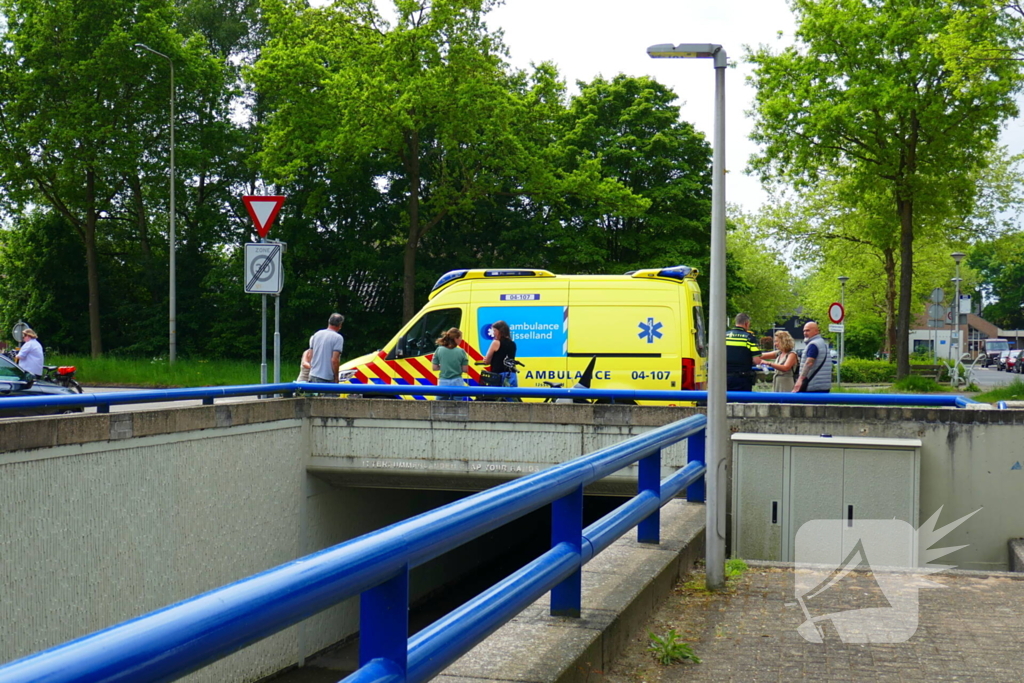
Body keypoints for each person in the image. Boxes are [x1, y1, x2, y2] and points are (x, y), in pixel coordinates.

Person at [725, 313, 763, 392]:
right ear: (746, 323)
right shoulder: (749, 337)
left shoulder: (724, 335)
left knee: (724, 402)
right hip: (742, 378)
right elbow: (757, 360)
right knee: (744, 402)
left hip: (724, 377)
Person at [794, 321, 832, 393]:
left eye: (808, 330)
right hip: (824, 385)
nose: (805, 333)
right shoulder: (822, 343)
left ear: (816, 331)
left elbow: (809, 363)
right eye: (804, 331)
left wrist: (800, 380)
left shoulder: (813, 344)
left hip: (813, 386)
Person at [482, 320, 518, 396]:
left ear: (500, 331)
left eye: (495, 331)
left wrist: (486, 360)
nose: (493, 333)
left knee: (497, 399)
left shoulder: (496, 342)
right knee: (511, 398)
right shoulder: (513, 344)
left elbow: (487, 361)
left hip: (499, 375)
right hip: (511, 375)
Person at [432, 328, 469, 398]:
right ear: (455, 338)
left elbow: (434, 368)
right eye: (460, 337)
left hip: (443, 381)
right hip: (457, 382)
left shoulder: (439, 350)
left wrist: (444, 366)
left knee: (440, 405)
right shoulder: (461, 352)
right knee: (458, 405)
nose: (461, 339)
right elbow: (465, 369)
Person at [308, 313, 345, 384]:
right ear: (340, 325)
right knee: (329, 395)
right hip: (327, 377)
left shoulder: (317, 334)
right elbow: (334, 360)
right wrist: (336, 377)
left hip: (313, 375)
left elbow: (310, 355)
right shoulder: (338, 338)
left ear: (329, 322)